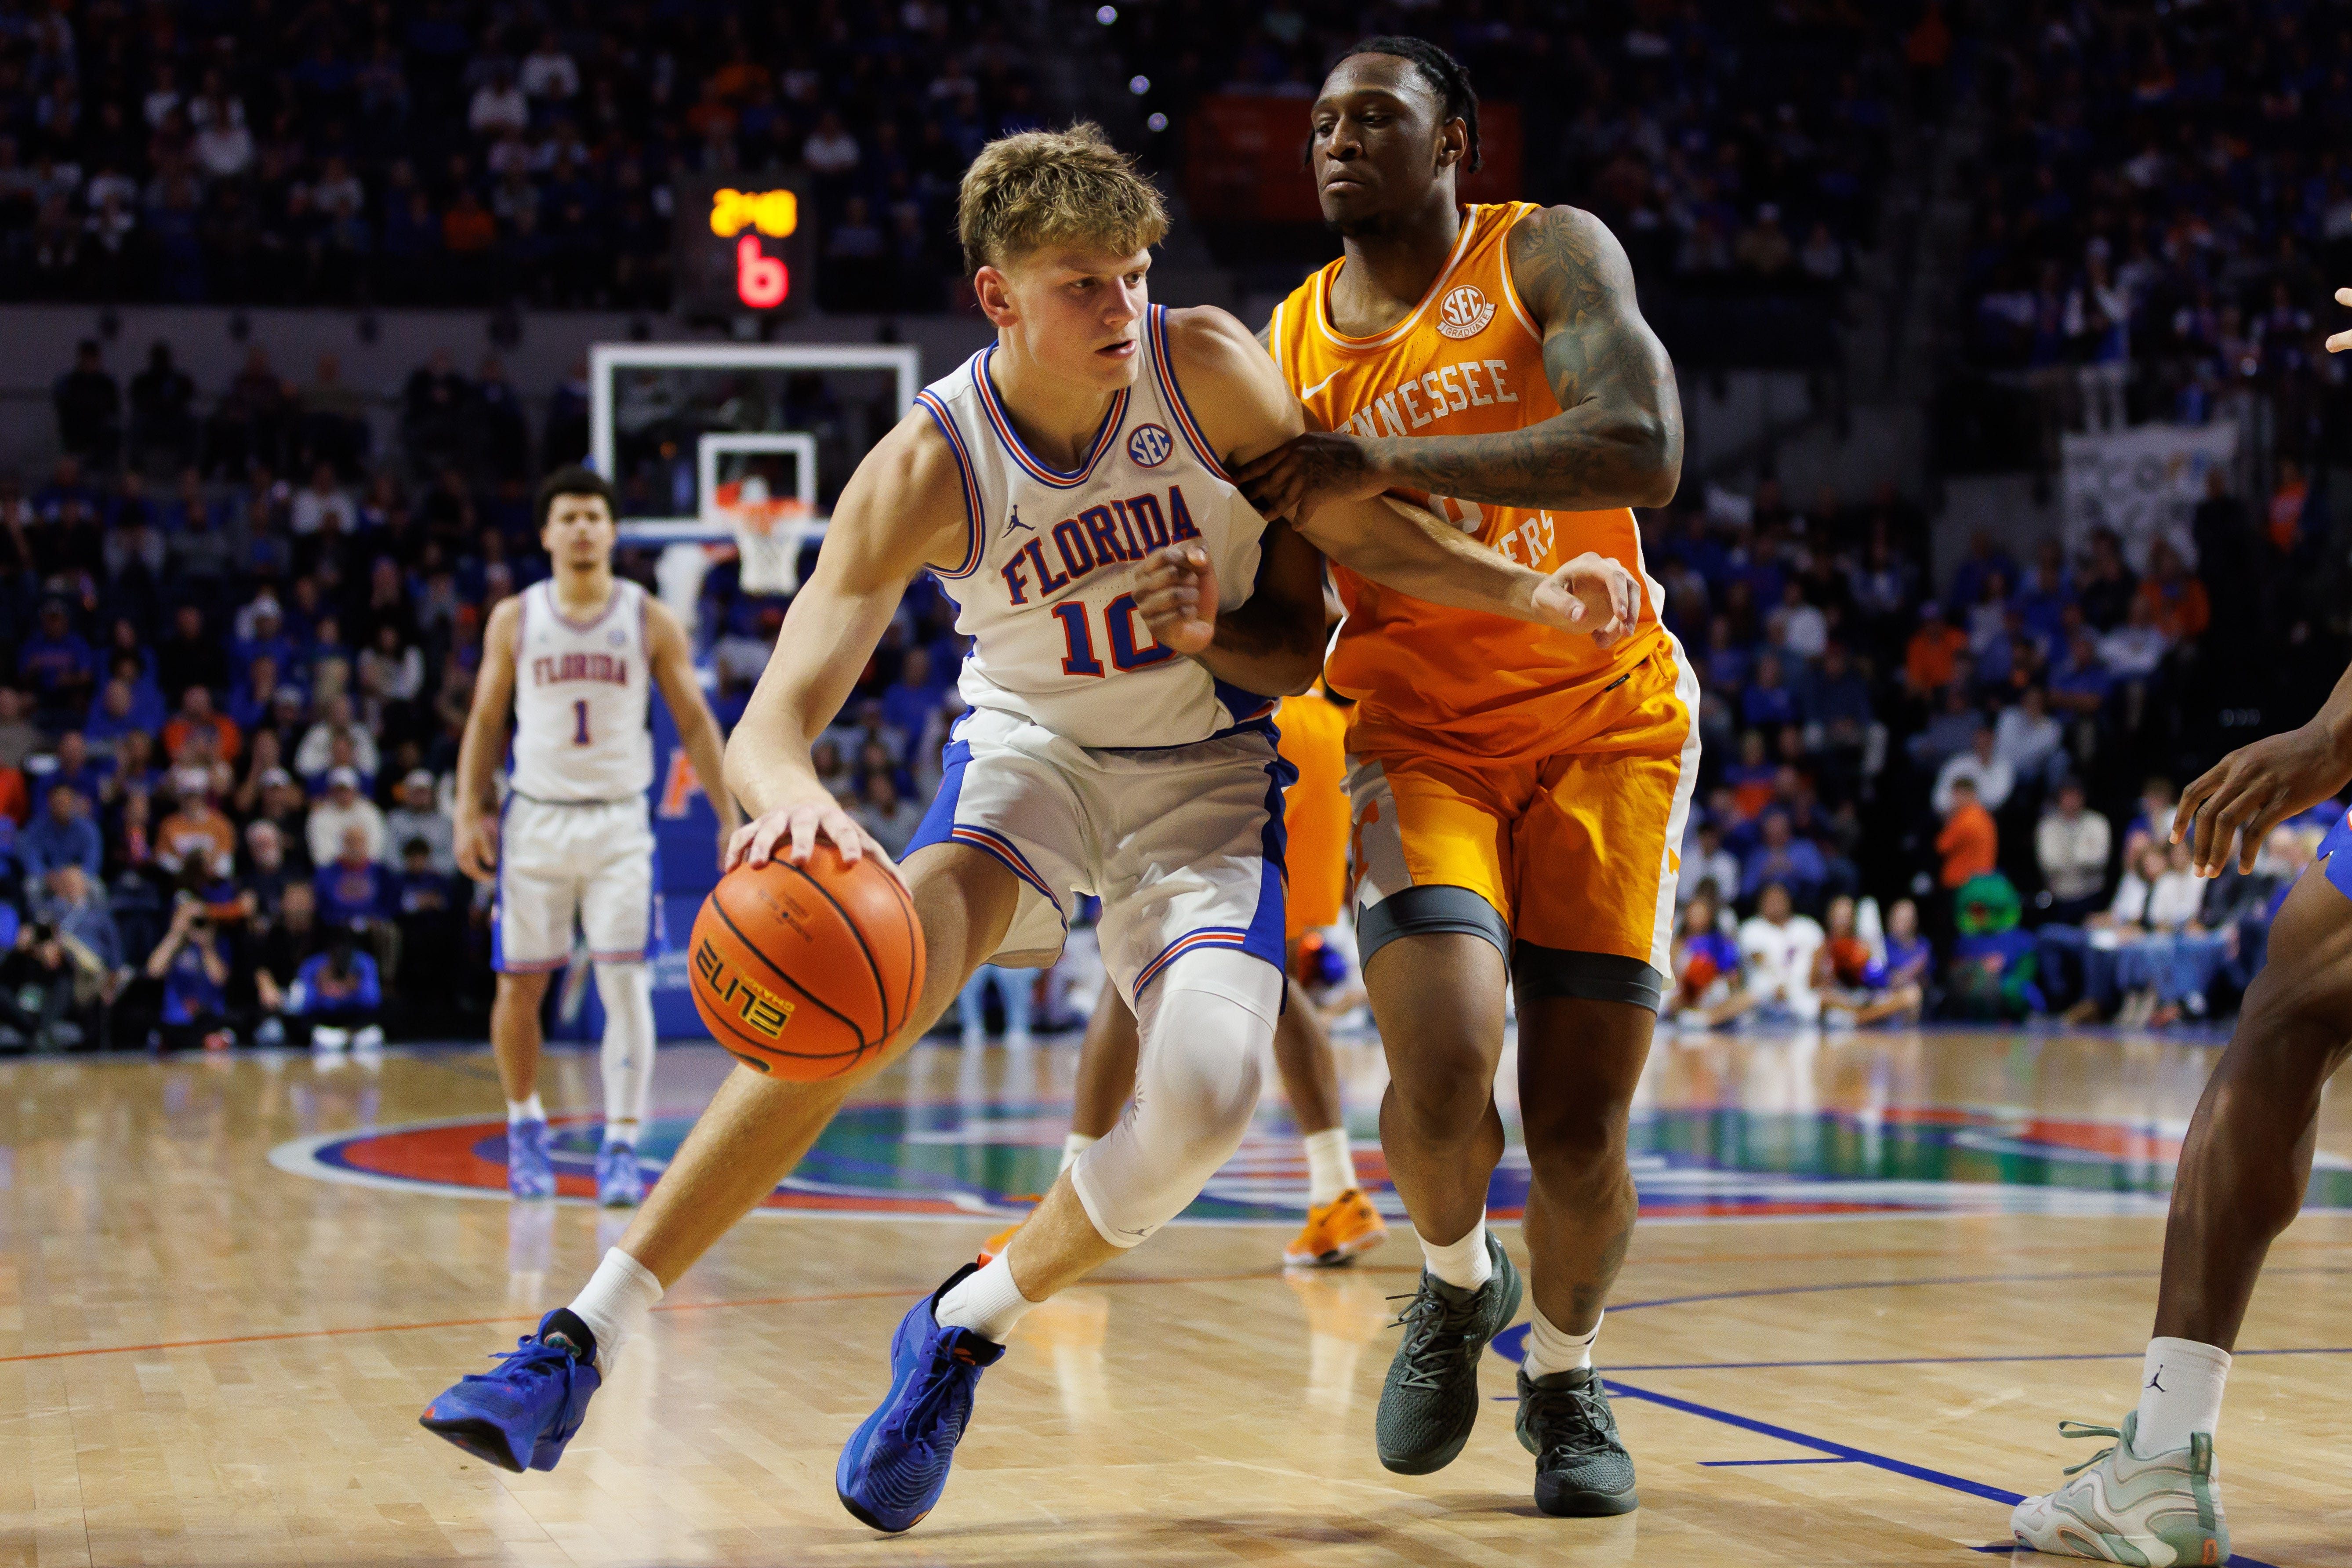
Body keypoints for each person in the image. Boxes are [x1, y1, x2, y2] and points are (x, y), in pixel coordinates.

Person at [415, 123, 1632, 1527]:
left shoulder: (1208, 363)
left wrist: (1530, 594)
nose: (1117, 308)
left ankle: (966, 1319)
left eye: (1129, 274)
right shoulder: (929, 461)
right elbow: (767, 725)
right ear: (995, 295)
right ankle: (576, 1341)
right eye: (1078, 284)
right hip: (1030, 762)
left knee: (1204, 1095)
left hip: (1205, 777)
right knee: (863, 992)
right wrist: (796, 807)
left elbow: (1353, 537)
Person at [1236, 37, 1688, 1516]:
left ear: (1457, 144)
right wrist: (1178, 621)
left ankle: (1564, 1372)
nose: (1337, 141)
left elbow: (1644, 444)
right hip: (1411, 735)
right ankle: (1448, 1279)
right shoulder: (1287, 343)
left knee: (1575, 1126)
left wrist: (1385, 451)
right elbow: (1297, 623)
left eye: (1376, 117)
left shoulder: (1546, 252)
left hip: (1605, 724)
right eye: (1319, 123)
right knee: (1435, 1068)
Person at [981, 674, 1391, 1272]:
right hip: (1321, 728)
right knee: (1273, 972)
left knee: (1136, 968)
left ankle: (1064, 1206)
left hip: (1217, 727)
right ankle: (1337, 1193)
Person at [448, 465, 741, 1209]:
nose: (581, 528)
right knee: (521, 983)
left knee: (625, 981)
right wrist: (465, 809)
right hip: (534, 819)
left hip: (618, 821)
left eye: (593, 517)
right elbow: (485, 721)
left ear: (612, 531)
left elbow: (698, 722)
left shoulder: (647, 617)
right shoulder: (517, 617)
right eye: (568, 517)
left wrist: (728, 814)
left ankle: (619, 1141)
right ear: (547, 533)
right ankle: (524, 1124)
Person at [1736, 882, 1824, 1022]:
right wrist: (1780, 986)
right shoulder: (1752, 928)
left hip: (1801, 995)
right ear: (1760, 904)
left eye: (1779, 900)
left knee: (1825, 1000)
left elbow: (1818, 963)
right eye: (1770, 900)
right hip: (1763, 998)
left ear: (1789, 901)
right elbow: (1762, 963)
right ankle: (1704, 1019)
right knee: (1753, 996)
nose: (1775, 904)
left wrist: (1800, 989)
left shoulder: (1808, 926)